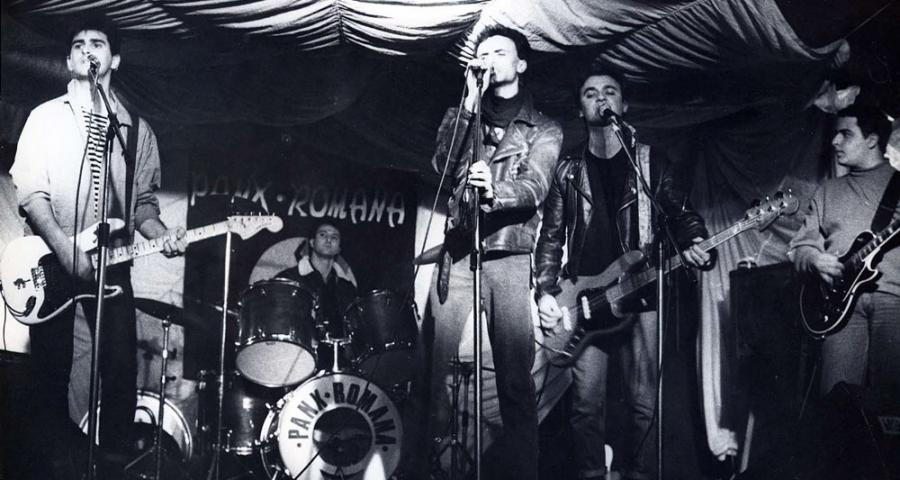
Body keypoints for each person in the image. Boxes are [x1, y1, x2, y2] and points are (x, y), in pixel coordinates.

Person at [9, 17, 187, 477]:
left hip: (113, 266)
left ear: (115, 59)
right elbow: (31, 193)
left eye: (98, 43)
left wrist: (160, 235)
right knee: (52, 371)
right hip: (52, 260)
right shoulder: (45, 118)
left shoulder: (137, 130)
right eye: (78, 44)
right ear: (69, 60)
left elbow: (143, 205)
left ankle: (107, 469)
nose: (87, 50)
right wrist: (66, 250)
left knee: (121, 374)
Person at [534, 68, 714, 480]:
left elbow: (680, 213)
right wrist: (545, 289)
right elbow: (551, 236)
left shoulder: (650, 161)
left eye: (610, 91)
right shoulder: (567, 169)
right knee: (585, 406)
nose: (601, 99)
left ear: (624, 104)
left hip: (641, 292)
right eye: (590, 93)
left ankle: (642, 475)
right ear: (580, 108)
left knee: (644, 403)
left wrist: (697, 239)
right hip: (585, 298)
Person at [417, 25, 563, 480]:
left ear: (521, 63)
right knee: (430, 372)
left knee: (515, 379)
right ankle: (427, 470)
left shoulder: (545, 127)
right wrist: (466, 106)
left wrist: (493, 191)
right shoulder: (463, 114)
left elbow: (536, 186)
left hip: (508, 257)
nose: (488, 59)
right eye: (482, 54)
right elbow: (441, 164)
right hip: (458, 255)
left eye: (499, 52)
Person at [789, 104, 899, 399]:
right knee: (837, 402)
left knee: (892, 406)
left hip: (894, 302)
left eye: (845, 134)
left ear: (872, 140)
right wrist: (814, 259)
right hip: (838, 308)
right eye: (835, 134)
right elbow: (800, 246)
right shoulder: (828, 191)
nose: (835, 141)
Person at [275, 221, 357, 340]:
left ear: (339, 248)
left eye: (334, 237)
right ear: (312, 242)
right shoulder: (289, 278)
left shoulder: (347, 287)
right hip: (297, 348)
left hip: (337, 350)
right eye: (323, 235)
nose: (328, 240)